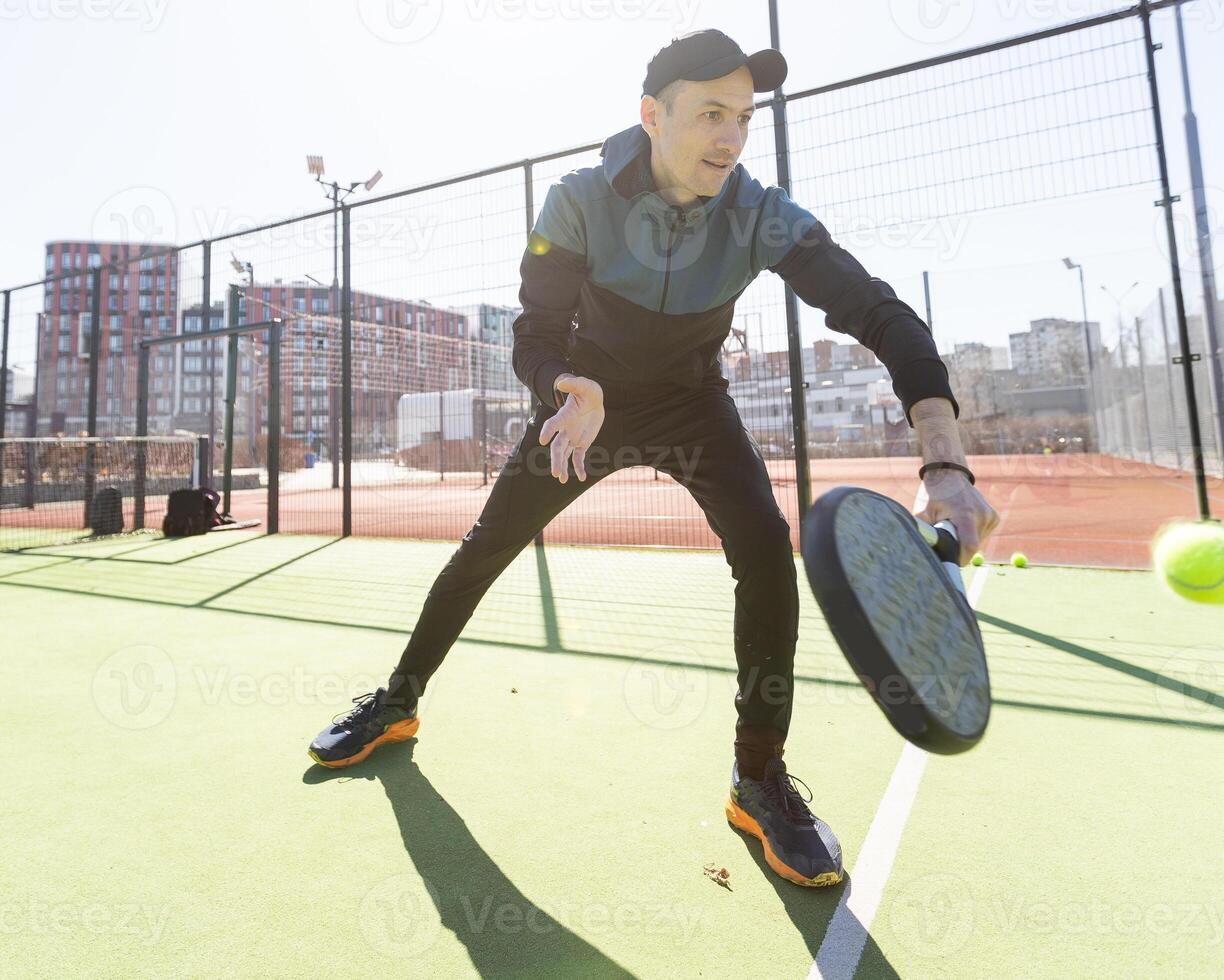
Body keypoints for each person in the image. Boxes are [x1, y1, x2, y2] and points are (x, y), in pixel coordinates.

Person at [308, 29, 998, 888]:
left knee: (765, 554)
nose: (731, 137)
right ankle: (397, 704)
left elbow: (883, 314)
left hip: (693, 406)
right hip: (584, 405)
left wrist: (947, 467)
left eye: (744, 119)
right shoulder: (575, 201)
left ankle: (758, 775)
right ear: (651, 115)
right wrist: (567, 388)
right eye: (711, 114)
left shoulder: (760, 211)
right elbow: (531, 337)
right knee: (484, 547)